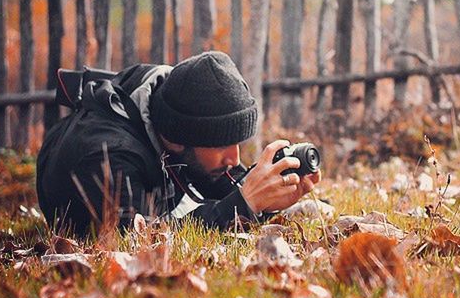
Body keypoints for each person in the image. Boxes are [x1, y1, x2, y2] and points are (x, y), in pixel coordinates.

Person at [36, 51, 321, 237]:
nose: (233, 158)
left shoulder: (171, 99)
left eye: (236, 142)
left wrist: (270, 198)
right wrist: (244, 204)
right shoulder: (108, 158)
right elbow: (143, 241)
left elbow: (222, 183)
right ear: (174, 140)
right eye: (221, 145)